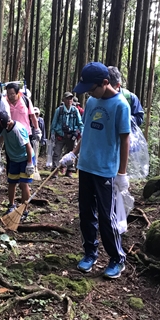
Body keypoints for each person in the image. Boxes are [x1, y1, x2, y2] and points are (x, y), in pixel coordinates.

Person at [60, 62, 130, 278]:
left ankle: (117, 258)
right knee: (85, 213)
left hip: (105, 169)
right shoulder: (91, 102)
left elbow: (125, 139)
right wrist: (73, 153)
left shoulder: (121, 105)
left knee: (106, 218)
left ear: (105, 83)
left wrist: (122, 173)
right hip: (86, 166)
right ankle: (90, 253)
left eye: (92, 88)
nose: (89, 93)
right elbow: (86, 131)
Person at [0, 110, 35, 215]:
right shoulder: (5, 128)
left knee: (24, 184)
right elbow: (2, 136)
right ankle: (11, 206)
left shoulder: (17, 130)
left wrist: (29, 163)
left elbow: (28, 146)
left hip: (25, 159)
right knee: (12, 182)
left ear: (7, 124)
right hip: (14, 159)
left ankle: (24, 210)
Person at [4, 82, 41, 171]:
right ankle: (12, 178)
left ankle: (25, 177)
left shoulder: (26, 100)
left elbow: (32, 116)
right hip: (10, 135)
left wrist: (37, 129)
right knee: (11, 157)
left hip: (25, 134)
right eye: (8, 94)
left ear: (18, 93)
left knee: (26, 155)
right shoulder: (4, 102)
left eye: (12, 94)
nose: (10, 96)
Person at [50, 91, 83, 177]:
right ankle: (55, 169)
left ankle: (70, 170)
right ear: (63, 100)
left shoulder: (75, 110)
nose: (69, 100)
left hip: (71, 135)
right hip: (60, 135)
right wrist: (53, 133)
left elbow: (80, 123)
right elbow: (54, 123)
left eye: (71, 98)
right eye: (67, 98)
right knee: (57, 152)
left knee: (71, 152)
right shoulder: (59, 110)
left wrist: (79, 133)